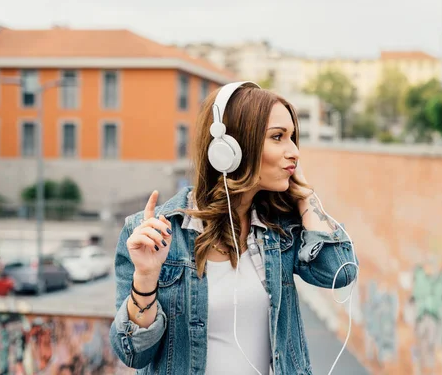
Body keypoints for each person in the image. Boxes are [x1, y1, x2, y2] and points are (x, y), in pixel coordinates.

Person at [109, 82, 358, 375]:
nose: (294, 152)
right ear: (228, 149)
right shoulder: (154, 233)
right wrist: (146, 276)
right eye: (278, 137)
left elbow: (341, 272)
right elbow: (132, 354)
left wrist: (306, 199)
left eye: (293, 138)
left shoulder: (281, 228)